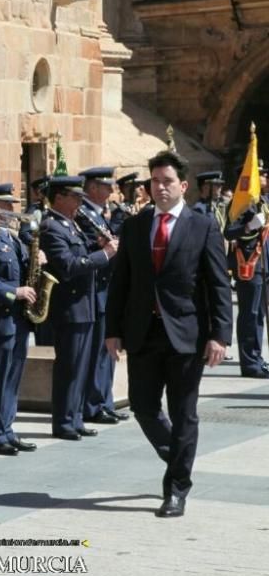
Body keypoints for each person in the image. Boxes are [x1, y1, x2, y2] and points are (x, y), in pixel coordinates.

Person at [106, 150, 232, 517]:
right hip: (143, 333)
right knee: (143, 407)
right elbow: (121, 283)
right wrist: (112, 330)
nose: (159, 188)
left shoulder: (202, 226)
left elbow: (217, 285)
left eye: (167, 182)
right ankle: (177, 456)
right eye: (154, 182)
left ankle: (176, 489)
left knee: (183, 413)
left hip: (187, 336)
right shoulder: (134, 226)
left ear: (183, 185)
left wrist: (220, 335)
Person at [39, 176, 118, 440]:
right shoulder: (52, 227)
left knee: (82, 367)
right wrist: (104, 254)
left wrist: (99, 245)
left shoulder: (71, 225)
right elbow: (70, 266)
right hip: (69, 307)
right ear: (59, 197)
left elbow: (83, 255)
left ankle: (75, 418)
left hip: (85, 305)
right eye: (75, 198)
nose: (79, 203)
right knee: (69, 368)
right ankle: (63, 422)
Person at [0, 184, 38, 455]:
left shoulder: (12, 238)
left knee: (12, 378)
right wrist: (15, 291)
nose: (12, 210)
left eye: (13, 204)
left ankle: (7, 428)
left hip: (19, 319)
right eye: (6, 204)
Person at [75, 167, 129, 425]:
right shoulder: (84, 214)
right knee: (98, 349)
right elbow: (87, 247)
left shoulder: (98, 214)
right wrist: (106, 248)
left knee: (108, 348)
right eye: (106, 186)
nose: (111, 190)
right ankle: (93, 404)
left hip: (107, 289)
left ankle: (104, 400)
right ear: (93, 188)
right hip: (95, 289)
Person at [224, 163, 269, 378]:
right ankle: (249, 363)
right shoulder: (241, 204)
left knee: (259, 316)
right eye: (260, 174)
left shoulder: (262, 202)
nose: (264, 177)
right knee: (249, 315)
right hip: (249, 266)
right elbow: (229, 232)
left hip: (263, 267)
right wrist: (249, 226)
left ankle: (257, 358)